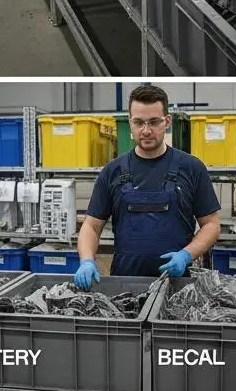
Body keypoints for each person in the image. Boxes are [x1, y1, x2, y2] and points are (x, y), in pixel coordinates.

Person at [73, 84, 221, 288]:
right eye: (139, 122)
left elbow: (211, 225)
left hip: (177, 285)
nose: (146, 130)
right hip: (124, 284)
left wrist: (187, 255)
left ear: (167, 122)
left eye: (153, 122)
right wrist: (87, 260)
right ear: (130, 122)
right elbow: (91, 226)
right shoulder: (112, 171)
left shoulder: (192, 168)